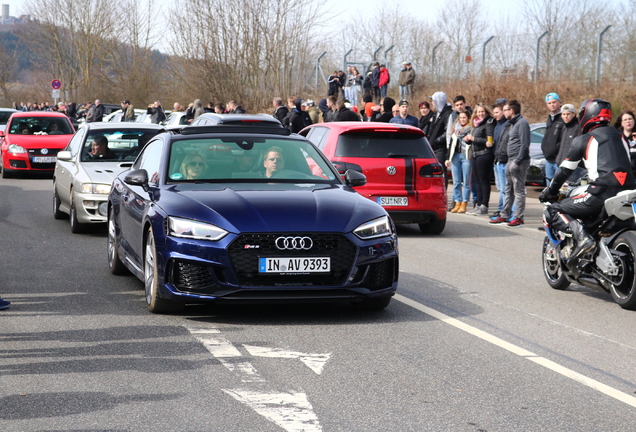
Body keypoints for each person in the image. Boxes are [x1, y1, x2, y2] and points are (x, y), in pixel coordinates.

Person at [539, 99, 635, 265]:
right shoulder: (621, 137)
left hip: (601, 192)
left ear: (587, 114)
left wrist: (550, 191)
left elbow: (564, 171)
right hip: (629, 191)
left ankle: (583, 239)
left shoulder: (584, 139)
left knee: (553, 211)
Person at [490, 100, 531, 227]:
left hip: (518, 161)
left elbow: (525, 144)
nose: (504, 112)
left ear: (511, 111)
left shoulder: (522, 123)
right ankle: (504, 215)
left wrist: (518, 161)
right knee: (508, 190)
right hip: (509, 160)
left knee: (518, 190)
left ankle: (518, 217)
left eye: (506, 110)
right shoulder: (511, 124)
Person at [464, 103, 495, 215]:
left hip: (484, 154)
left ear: (486, 112)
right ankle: (478, 204)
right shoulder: (475, 124)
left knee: (484, 180)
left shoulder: (489, 122)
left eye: (483, 112)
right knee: (477, 181)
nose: (481, 114)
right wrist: (468, 139)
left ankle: (484, 205)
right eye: (478, 112)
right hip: (475, 154)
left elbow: (489, 142)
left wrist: (474, 138)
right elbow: (475, 139)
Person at [445, 111, 472, 214]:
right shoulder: (455, 129)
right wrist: (448, 158)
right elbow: (451, 144)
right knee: (456, 182)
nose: (462, 119)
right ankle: (457, 202)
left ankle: (464, 203)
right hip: (455, 156)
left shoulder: (471, 129)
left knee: (466, 181)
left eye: (464, 117)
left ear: (468, 118)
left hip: (466, 156)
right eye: (461, 118)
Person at [541, 92, 564, 186]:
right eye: (549, 103)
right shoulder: (550, 118)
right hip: (548, 160)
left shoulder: (564, 117)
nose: (552, 105)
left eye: (554, 102)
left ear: (559, 102)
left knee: (559, 188)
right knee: (549, 188)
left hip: (558, 160)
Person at [492, 103, 510, 217]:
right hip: (497, 159)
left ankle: (505, 211)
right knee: (499, 188)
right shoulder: (497, 125)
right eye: (494, 113)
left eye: (497, 112)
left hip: (505, 159)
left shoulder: (507, 125)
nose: (495, 115)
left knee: (505, 188)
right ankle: (500, 209)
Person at [556, 104, 582, 182]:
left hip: (572, 168)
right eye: (563, 114)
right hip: (561, 164)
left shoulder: (578, 127)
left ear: (574, 114)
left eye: (568, 114)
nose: (566, 116)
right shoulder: (564, 127)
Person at [614, 110, 636, 176]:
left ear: (634, 121)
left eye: (630, 119)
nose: (628, 121)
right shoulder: (616, 137)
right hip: (622, 175)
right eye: (625, 120)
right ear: (622, 123)